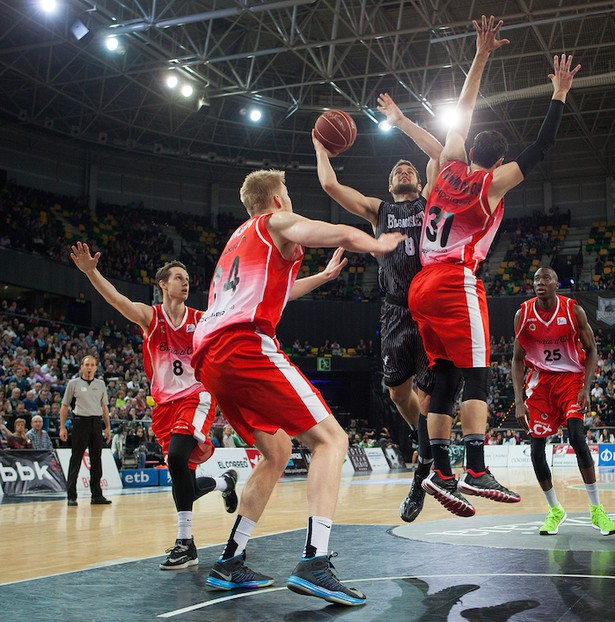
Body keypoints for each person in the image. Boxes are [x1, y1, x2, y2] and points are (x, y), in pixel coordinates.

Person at [192, 168, 404, 605]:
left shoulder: (238, 241)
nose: (289, 200)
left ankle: (230, 558)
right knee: (331, 439)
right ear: (275, 200)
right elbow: (338, 231)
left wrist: (323, 279)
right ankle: (315, 561)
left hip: (209, 358)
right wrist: (376, 243)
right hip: (243, 345)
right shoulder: (276, 222)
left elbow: (279, 292)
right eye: (286, 193)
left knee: (278, 452)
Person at [409, 16, 580, 516]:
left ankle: (440, 470)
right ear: (499, 157)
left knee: (444, 375)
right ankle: (477, 466)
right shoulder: (491, 184)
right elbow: (541, 148)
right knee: (478, 375)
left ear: (467, 148)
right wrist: (560, 93)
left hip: (421, 284)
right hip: (454, 280)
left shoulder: (446, 169)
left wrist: (481, 54)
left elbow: (461, 110)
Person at [70, 244, 242, 569]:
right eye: (178, 277)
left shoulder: (201, 320)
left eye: (188, 278)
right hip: (164, 407)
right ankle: (225, 482)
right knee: (185, 482)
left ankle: (186, 543)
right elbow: (116, 300)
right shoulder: (151, 317)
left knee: (177, 456)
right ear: (163, 284)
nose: (185, 282)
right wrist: (91, 272)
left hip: (197, 398)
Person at [314, 92, 442, 523]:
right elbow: (331, 186)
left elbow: (440, 153)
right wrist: (319, 146)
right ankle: (426, 447)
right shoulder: (379, 210)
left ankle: (424, 467)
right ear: (389, 186)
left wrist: (402, 120)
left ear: (419, 182)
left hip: (429, 307)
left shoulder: (432, 203)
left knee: (427, 395)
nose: (403, 169)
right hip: (392, 310)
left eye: (408, 168)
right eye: (396, 170)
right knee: (396, 392)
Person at [512, 267, 615, 536]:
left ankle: (596, 510)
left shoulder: (573, 310)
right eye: (536, 279)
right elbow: (516, 359)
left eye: (546, 279)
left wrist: (586, 386)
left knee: (576, 435)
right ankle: (554, 509)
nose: (540, 283)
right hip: (541, 382)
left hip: (571, 378)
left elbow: (592, 349)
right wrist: (518, 400)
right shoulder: (523, 314)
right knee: (536, 450)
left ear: (556, 284)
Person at [59, 354, 112, 506]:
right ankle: (71, 495)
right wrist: (62, 426)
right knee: (76, 458)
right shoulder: (73, 384)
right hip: (80, 422)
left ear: (96, 367)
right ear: (81, 366)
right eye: (86, 364)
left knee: (96, 459)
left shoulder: (100, 384)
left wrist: (107, 427)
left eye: (92, 365)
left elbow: (104, 407)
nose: (89, 367)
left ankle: (96, 495)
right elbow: (64, 405)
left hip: (96, 422)